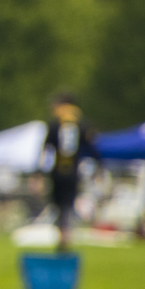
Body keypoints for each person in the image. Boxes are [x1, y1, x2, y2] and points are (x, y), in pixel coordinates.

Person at [41, 93, 101, 251]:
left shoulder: (54, 124)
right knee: (68, 204)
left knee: (59, 205)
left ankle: (62, 236)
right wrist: (98, 168)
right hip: (74, 172)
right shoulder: (82, 124)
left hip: (57, 172)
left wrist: (39, 172)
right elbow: (93, 148)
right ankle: (67, 236)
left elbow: (46, 150)